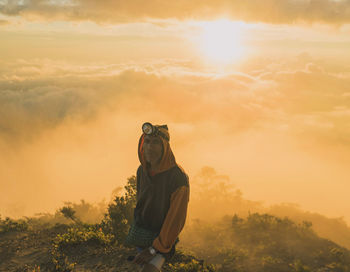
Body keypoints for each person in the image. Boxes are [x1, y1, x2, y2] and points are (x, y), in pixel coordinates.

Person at [126, 123, 190, 272]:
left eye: (156, 143)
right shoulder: (142, 170)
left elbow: (175, 219)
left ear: (165, 147)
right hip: (142, 236)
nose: (149, 147)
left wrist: (155, 249)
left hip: (161, 240)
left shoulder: (177, 178)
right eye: (147, 142)